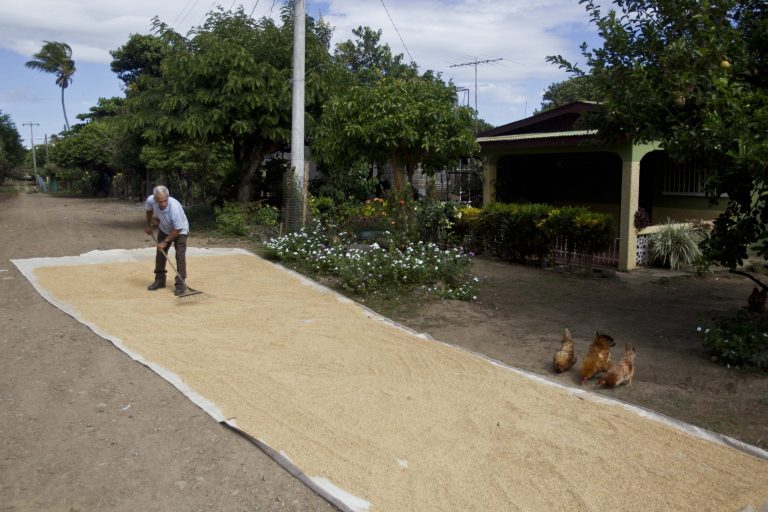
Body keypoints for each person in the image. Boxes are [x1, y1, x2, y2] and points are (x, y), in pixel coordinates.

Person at [144, 185, 190, 296]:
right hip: (164, 228)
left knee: (180, 256)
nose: (163, 204)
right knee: (160, 254)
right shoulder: (151, 200)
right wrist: (149, 225)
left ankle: (180, 284)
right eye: (160, 201)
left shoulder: (174, 207)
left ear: (168, 197)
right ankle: (160, 280)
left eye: (165, 200)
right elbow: (149, 210)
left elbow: (178, 228)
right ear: (155, 199)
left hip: (180, 230)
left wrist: (165, 242)